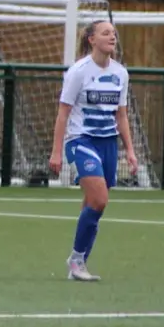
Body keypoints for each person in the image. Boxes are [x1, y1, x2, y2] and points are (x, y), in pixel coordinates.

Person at [48, 19, 138, 283]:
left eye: (114, 33)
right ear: (92, 39)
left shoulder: (121, 73)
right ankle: (76, 260)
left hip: (108, 143)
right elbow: (63, 113)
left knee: (92, 204)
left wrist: (130, 150)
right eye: (105, 33)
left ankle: (79, 262)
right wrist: (56, 152)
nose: (112, 37)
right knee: (99, 199)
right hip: (81, 140)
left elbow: (121, 115)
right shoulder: (78, 72)